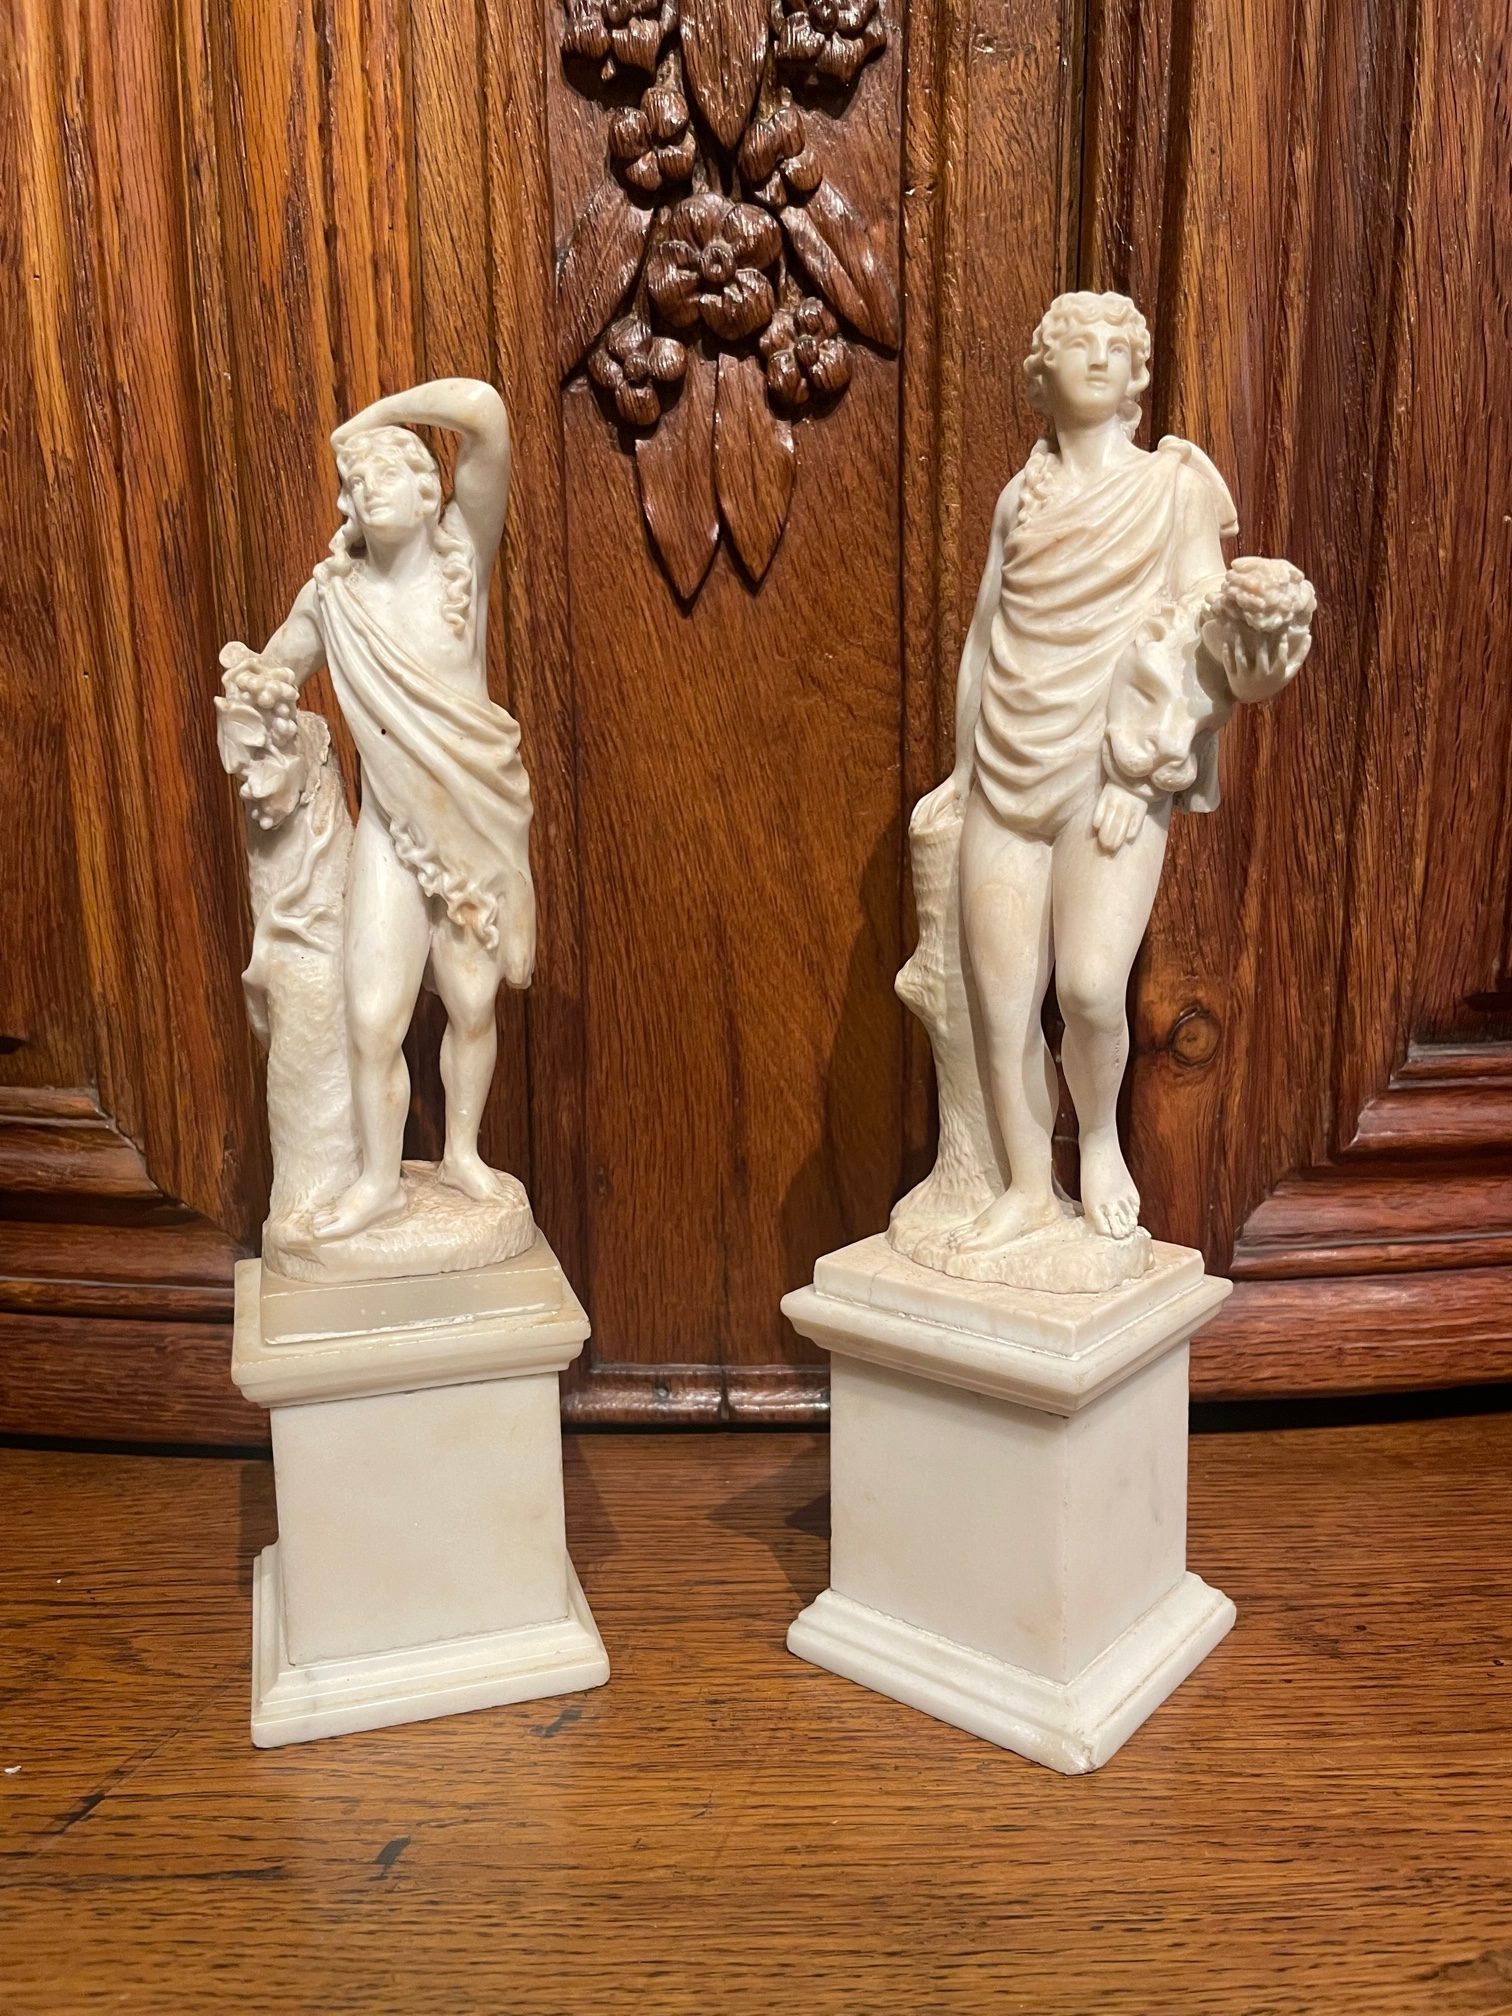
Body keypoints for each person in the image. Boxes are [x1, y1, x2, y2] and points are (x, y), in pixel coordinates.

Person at [933, 293, 1302, 1256]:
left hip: (1110, 777)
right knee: (1001, 1004)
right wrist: (963, 770)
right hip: (1007, 767)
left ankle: (1097, 1139)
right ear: (1041, 374)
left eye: (1115, 345)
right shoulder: (1018, 499)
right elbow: (984, 637)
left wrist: (1247, 662)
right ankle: (1027, 1185)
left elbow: (1199, 630)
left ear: (1137, 374)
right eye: (1076, 343)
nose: (1098, 356)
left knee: (1093, 988)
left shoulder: (1173, 489)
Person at [244, 379, 534, 1241]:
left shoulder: (462, 561)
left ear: (425, 488)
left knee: (473, 1005)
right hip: (389, 830)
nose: (364, 491)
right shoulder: (333, 597)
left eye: (382, 473)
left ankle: (463, 1155)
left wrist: (367, 420)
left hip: (475, 823)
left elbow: (484, 415)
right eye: (354, 481)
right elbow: (274, 671)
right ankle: (378, 1181)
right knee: (374, 1020)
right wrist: (253, 696)